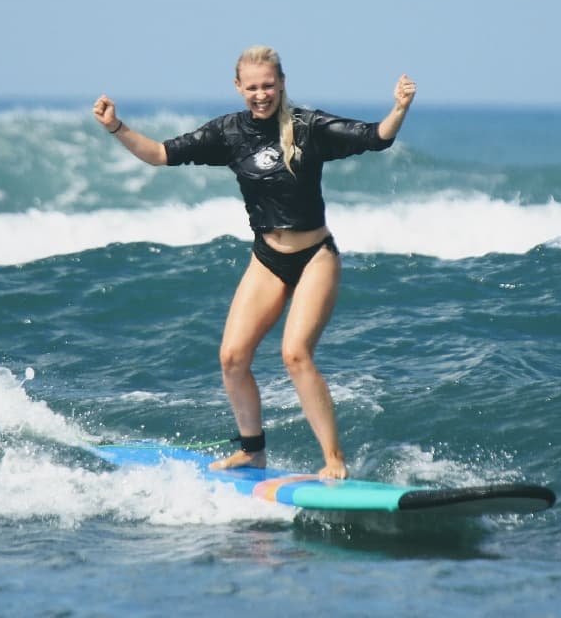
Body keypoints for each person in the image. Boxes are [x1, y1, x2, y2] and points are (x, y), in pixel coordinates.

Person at [92, 45, 416, 479]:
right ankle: (252, 451)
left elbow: (376, 137)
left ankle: (334, 461)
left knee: (295, 354)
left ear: (282, 83)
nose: (261, 94)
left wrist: (399, 108)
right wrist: (116, 127)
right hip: (267, 257)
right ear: (238, 87)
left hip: (315, 256)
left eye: (268, 85)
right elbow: (160, 154)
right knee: (232, 357)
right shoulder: (229, 133)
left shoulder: (309, 126)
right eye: (252, 87)